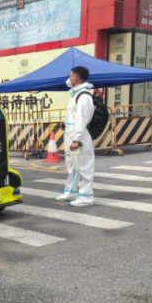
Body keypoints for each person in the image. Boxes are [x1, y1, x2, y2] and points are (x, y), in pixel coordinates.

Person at [55, 66, 95, 207]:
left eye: (70, 75)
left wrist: (76, 140)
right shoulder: (75, 95)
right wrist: (66, 124)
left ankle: (86, 197)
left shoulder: (83, 96)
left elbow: (82, 120)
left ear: (75, 77)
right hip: (71, 135)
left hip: (79, 137)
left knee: (84, 167)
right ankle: (70, 192)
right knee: (73, 166)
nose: (68, 78)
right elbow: (74, 118)